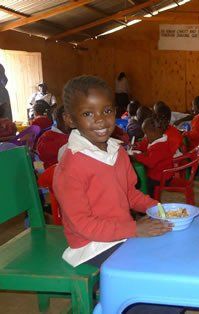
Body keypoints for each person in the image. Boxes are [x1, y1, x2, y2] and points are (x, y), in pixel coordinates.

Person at [53, 75, 172, 269]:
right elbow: (83, 226)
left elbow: (129, 195)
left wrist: (159, 209)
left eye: (106, 110)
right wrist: (135, 228)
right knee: (152, 268)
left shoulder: (118, 153)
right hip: (92, 246)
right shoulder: (71, 167)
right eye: (87, 114)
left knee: (170, 247)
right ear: (70, 119)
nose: (100, 120)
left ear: (115, 112)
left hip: (121, 235)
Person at [134, 118, 173, 195]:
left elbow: (150, 162)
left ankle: (151, 200)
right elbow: (149, 152)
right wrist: (138, 149)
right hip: (160, 173)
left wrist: (136, 157)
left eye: (146, 133)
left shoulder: (159, 146)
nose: (145, 136)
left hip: (161, 177)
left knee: (143, 182)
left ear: (155, 132)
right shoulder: (158, 140)